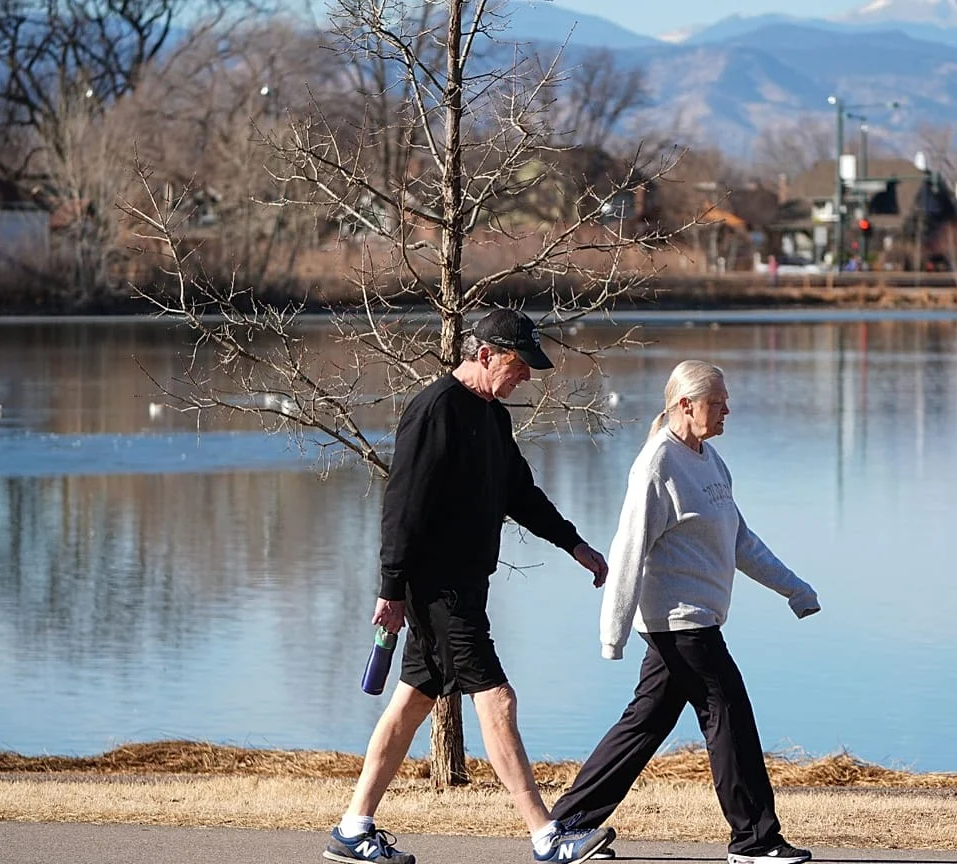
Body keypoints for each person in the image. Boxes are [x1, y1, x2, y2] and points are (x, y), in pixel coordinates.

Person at [323, 308, 617, 864]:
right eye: (519, 363)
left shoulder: (493, 417)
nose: (527, 374)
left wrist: (575, 545)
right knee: (497, 696)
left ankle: (353, 828)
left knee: (412, 702)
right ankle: (546, 836)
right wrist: (391, 587)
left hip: (464, 584)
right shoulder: (435, 411)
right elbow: (402, 506)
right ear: (484, 354)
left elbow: (520, 494)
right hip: (438, 588)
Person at [548, 360, 820, 864]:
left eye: (726, 401)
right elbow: (629, 548)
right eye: (718, 403)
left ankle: (566, 824)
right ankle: (754, 840)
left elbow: (739, 540)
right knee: (729, 715)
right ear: (685, 405)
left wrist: (794, 589)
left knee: (645, 724)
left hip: (698, 619)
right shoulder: (657, 465)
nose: (727, 411)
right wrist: (613, 633)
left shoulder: (710, 461)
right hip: (679, 622)